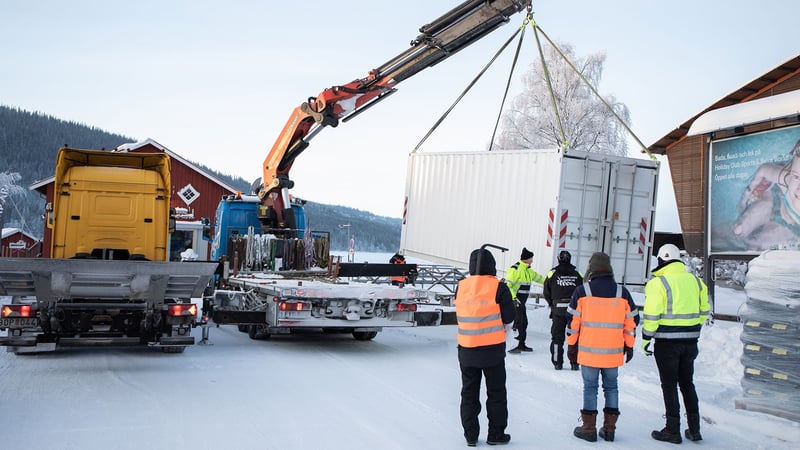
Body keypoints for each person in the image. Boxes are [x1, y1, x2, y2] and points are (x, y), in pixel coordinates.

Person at [642, 244, 710, 444]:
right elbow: (704, 309)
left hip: (666, 344)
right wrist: (692, 328)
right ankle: (695, 429)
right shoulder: (696, 282)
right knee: (687, 383)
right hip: (690, 342)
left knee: (669, 385)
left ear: (662, 260)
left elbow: (652, 316)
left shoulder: (658, 283)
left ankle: (672, 430)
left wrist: (646, 338)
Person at [566, 252, 638, 442]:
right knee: (611, 388)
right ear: (609, 268)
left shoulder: (582, 292)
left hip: (589, 353)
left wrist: (571, 347)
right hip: (613, 354)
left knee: (590, 388)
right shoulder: (622, 293)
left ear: (591, 269)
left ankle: (588, 429)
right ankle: (609, 429)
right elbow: (631, 323)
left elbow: (572, 323)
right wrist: (629, 346)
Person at [454, 247, 516, 447]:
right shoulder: (499, 287)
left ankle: (471, 436)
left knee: (469, 393)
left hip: (467, 350)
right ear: (492, 265)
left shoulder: (461, 286)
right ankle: (495, 434)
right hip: (493, 351)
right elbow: (510, 317)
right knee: (496, 393)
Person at [730, 138, 800, 250]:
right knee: (764, 202)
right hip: (778, 201)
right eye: (796, 176)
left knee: (765, 242)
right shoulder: (787, 179)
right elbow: (763, 170)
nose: (798, 188)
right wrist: (747, 194)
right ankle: (749, 221)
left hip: (792, 225)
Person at [543, 250, 582, 370]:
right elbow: (582, 290)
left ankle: (557, 363)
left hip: (558, 309)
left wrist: (551, 303)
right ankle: (575, 363)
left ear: (558, 259)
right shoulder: (577, 273)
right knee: (574, 336)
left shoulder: (552, 273)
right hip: (574, 310)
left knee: (557, 337)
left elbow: (546, 290)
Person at [505, 247, 545, 354]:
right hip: (516, 301)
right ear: (526, 259)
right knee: (519, 322)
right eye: (531, 258)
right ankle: (515, 344)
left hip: (522, 302)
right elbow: (508, 285)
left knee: (524, 322)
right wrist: (514, 298)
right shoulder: (515, 269)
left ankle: (521, 344)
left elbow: (539, 278)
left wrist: (550, 281)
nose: (532, 260)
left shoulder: (528, 270)